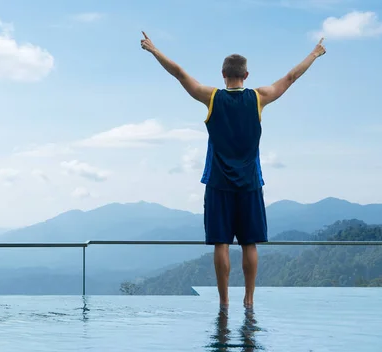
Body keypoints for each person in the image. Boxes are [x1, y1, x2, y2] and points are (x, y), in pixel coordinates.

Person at [140, 32, 326, 308]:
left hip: (218, 183)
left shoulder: (212, 97)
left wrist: (154, 50)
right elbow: (290, 78)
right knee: (250, 244)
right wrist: (314, 53)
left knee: (221, 243)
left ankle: (224, 301)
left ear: (223, 74)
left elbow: (179, 73)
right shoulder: (259, 98)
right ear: (246, 75)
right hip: (250, 183)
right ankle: (249, 300)